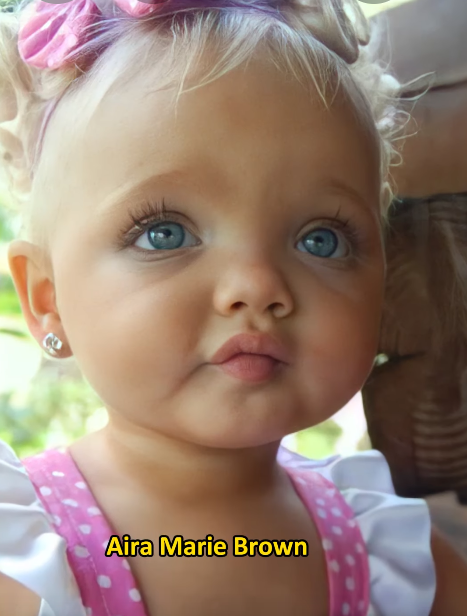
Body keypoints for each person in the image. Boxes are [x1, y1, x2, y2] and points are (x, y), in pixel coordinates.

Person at [0, 0, 466, 615]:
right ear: (48, 299)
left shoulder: (396, 559)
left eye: (321, 239)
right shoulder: (25, 564)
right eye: (164, 233)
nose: (257, 284)